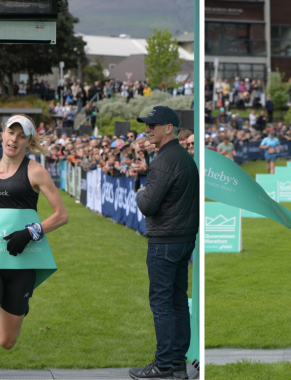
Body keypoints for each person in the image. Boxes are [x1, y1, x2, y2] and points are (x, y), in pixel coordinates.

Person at [0, 115, 68, 380]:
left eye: (21, 135)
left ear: (28, 141)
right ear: (3, 133)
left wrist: (32, 231)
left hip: (21, 261)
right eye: (11, 132)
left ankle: (19, 304)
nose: (14, 139)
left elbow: (61, 215)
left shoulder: (35, 172)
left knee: (7, 340)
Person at [131, 106, 199, 380]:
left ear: (168, 128)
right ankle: (176, 365)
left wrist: (140, 191)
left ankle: (162, 365)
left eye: (153, 125)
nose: (147, 129)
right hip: (182, 239)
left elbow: (147, 204)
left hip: (165, 241)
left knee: (162, 302)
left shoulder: (165, 159)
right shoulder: (180, 156)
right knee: (177, 301)